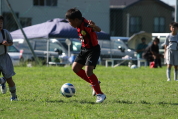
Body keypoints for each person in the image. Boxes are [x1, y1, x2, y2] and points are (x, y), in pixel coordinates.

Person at [65, 8, 106, 103]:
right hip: (84, 49)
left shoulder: (87, 24)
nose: (69, 23)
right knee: (75, 68)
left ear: (76, 20)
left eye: (70, 21)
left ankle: (100, 94)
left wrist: (94, 26)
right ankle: (95, 83)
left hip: (93, 50)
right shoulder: (78, 24)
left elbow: (98, 30)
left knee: (88, 71)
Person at [0, 16, 17, 101]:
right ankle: (2, 81)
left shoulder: (5, 32)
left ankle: (14, 97)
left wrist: (7, 43)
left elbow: (11, 42)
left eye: (1, 23)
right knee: (4, 79)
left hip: (4, 57)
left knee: (9, 79)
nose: (0, 25)